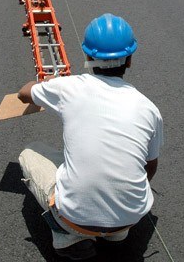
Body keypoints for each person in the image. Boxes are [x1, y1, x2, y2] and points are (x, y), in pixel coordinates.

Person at [18, 13, 163, 260]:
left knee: (29, 153)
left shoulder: (69, 87)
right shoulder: (149, 108)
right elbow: (150, 168)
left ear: (87, 56)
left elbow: (24, 94)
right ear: (129, 61)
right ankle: (115, 233)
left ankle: (68, 238)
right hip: (129, 217)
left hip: (76, 217)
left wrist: (43, 84)